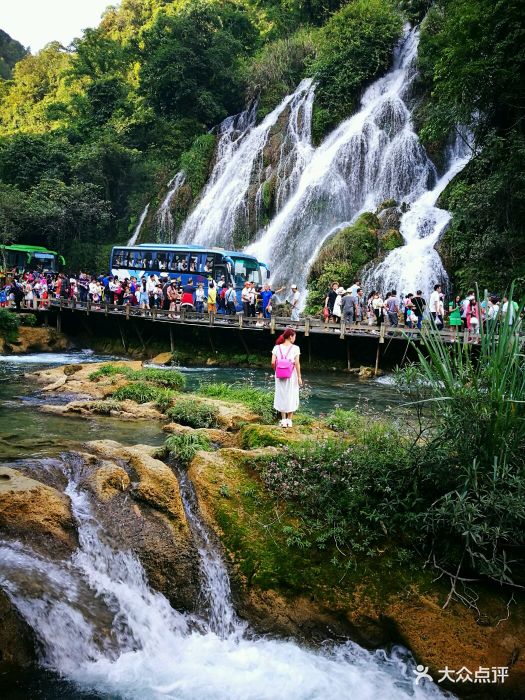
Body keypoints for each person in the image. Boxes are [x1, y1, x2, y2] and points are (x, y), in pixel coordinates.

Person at [271, 328, 303, 428]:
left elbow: (272, 362)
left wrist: (277, 370)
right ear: (290, 336)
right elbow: (297, 363)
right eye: (294, 337)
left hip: (279, 375)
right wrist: (299, 377)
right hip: (291, 375)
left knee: (281, 395)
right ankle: (290, 420)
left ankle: (283, 420)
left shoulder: (276, 347)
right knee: (292, 394)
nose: (295, 339)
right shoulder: (295, 348)